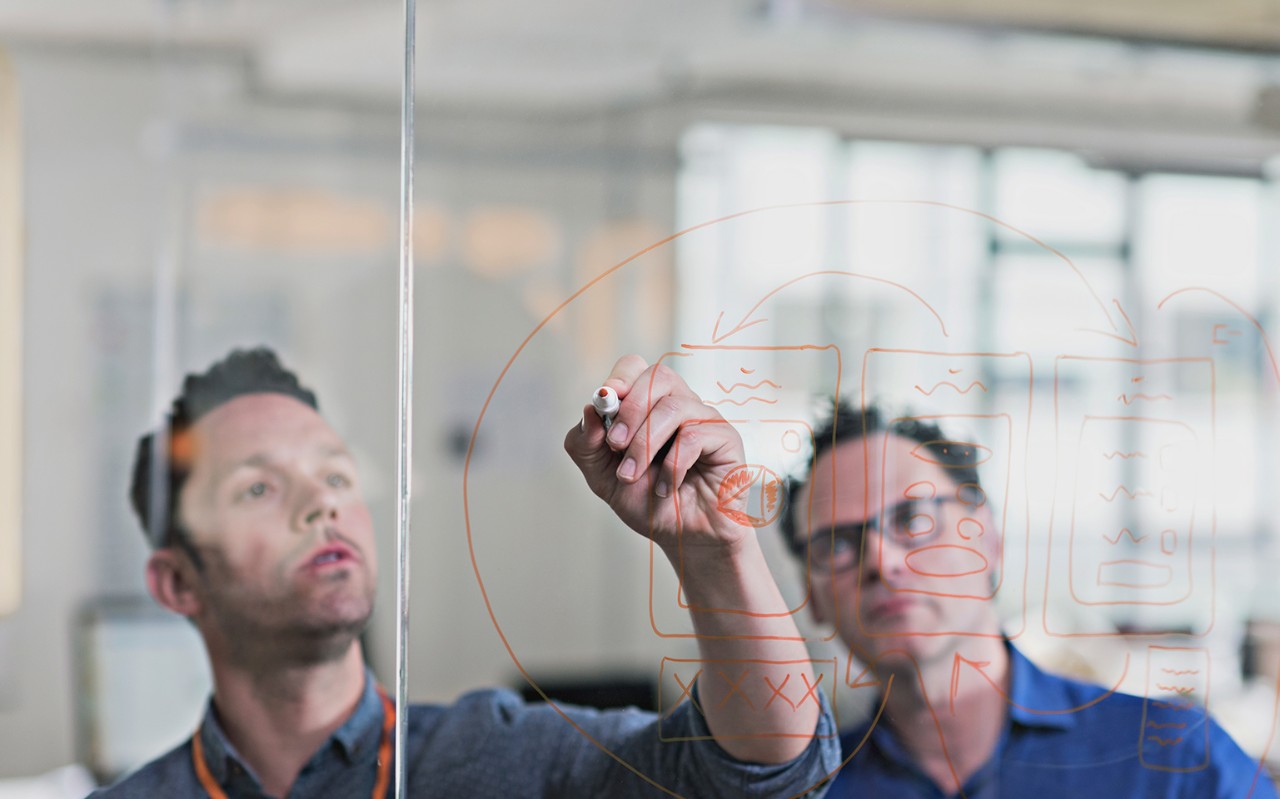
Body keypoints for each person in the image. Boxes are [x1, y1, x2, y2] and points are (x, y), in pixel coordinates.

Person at [92, 348, 839, 798]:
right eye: (258, 488)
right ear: (177, 583)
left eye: (335, 475)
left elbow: (759, 768)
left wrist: (714, 553)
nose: (321, 503)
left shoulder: (497, 761)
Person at [779, 400, 1279, 798]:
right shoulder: (810, 791)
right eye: (836, 545)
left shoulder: (1176, 761)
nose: (880, 560)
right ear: (810, 596)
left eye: (912, 519)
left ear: (986, 538)